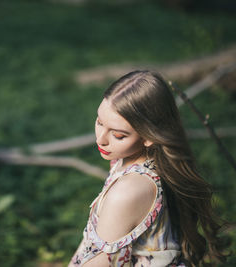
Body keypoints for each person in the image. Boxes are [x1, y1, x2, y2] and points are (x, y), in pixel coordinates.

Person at [68, 70, 225, 267]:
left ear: (149, 136)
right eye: (99, 122)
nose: (100, 139)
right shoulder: (145, 161)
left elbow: (100, 262)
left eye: (117, 135)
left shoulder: (129, 190)